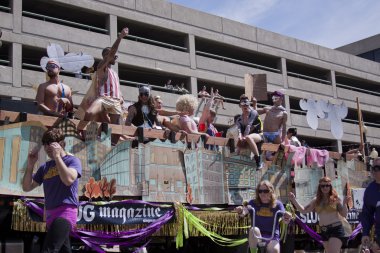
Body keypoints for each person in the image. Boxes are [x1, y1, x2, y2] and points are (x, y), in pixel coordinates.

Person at [22, 128, 82, 253]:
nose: (47, 147)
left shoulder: (72, 161)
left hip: (65, 214)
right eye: (45, 144)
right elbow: (27, 187)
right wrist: (30, 165)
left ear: (61, 144)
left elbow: (68, 179)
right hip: (50, 216)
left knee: (49, 250)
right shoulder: (45, 167)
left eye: (51, 143)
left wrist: (57, 157)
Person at [288, 176, 351, 253]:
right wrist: (294, 200)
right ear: (319, 187)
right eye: (323, 186)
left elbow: (344, 214)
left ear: (330, 186)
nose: (325, 188)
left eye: (327, 185)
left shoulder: (335, 199)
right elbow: (303, 211)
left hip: (336, 229)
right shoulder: (316, 200)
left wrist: (344, 204)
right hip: (324, 230)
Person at [84, 27, 129, 124]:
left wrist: (121, 97)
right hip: (104, 99)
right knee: (89, 113)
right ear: (106, 56)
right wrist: (120, 37)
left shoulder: (114, 73)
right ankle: (82, 132)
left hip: (116, 102)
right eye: (114, 56)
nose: (116, 57)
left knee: (116, 130)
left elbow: (117, 88)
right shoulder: (101, 67)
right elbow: (112, 51)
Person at [236, 180, 292, 253]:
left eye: (265, 191)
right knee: (254, 230)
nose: (262, 193)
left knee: (275, 250)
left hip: (272, 237)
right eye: (260, 191)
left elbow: (284, 218)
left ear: (271, 191)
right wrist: (240, 211)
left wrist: (287, 217)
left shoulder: (278, 204)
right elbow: (243, 212)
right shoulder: (253, 203)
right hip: (257, 236)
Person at [236, 94, 264, 169]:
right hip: (248, 137)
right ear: (240, 106)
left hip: (258, 134)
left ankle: (259, 161)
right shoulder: (239, 119)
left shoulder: (253, 113)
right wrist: (240, 136)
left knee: (248, 137)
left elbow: (249, 126)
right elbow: (239, 130)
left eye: (247, 104)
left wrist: (244, 137)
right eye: (243, 104)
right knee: (239, 142)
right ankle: (235, 160)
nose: (245, 106)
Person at [361, 158, 380, 252]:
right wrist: (365, 233)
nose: (377, 171)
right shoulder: (370, 190)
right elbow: (367, 214)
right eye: (375, 168)